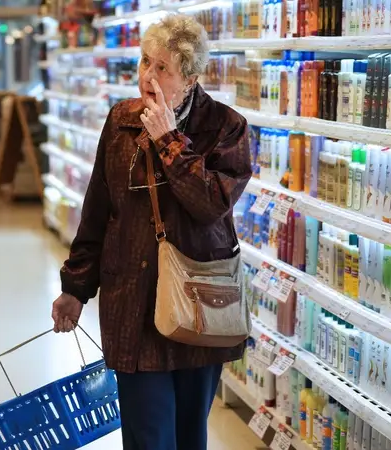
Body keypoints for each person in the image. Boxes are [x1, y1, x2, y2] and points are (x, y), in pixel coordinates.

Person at [50, 14, 252, 450]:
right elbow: (99, 209)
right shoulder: (121, 121)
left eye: (163, 67)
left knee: (187, 436)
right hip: (134, 303)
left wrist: (170, 141)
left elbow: (212, 204)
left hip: (197, 302)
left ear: (192, 77)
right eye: (145, 62)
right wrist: (76, 286)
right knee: (147, 437)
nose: (148, 75)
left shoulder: (225, 128)